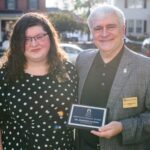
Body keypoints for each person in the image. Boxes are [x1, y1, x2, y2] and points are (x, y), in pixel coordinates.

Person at [75, 4, 150, 150]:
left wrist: (123, 127)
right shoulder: (82, 60)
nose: (104, 33)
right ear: (91, 32)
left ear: (123, 29)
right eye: (98, 28)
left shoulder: (146, 67)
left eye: (110, 27)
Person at [0, 12, 78, 149]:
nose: (34, 43)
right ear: (17, 43)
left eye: (39, 36)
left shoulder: (68, 70)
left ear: (51, 37)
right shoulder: (5, 76)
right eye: (26, 39)